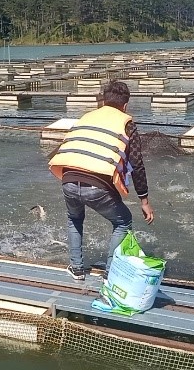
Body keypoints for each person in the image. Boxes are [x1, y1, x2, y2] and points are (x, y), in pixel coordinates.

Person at [48, 80, 155, 281]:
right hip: (97, 185)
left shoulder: (86, 117)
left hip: (68, 180)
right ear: (125, 106)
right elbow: (137, 165)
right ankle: (110, 272)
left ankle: (76, 268)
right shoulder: (127, 124)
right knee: (123, 221)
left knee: (74, 218)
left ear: (103, 102)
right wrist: (145, 201)